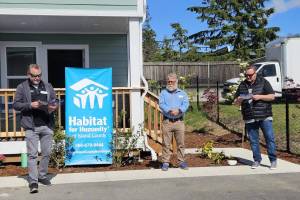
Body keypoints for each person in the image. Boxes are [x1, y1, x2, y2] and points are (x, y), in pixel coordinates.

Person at [13, 64, 58, 193]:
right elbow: (16, 104)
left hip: (47, 125)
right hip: (31, 126)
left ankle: (42, 175)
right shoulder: (22, 87)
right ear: (28, 75)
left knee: (47, 153)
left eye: (39, 75)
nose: (37, 78)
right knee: (32, 155)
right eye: (34, 76)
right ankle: (33, 181)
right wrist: (30, 105)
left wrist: (54, 106)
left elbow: (55, 101)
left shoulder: (48, 86)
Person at [234, 66, 277, 170]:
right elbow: (235, 103)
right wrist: (238, 100)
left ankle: (273, 160)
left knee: (269, 138)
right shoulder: (242, 85)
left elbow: (272, 96)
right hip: (249, 116)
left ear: (255, 74)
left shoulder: (263, 82)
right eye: (246, 75)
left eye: (250, 75)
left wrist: (259, 97)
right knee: (253, 140)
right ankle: (257, 160)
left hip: (264, 116)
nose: (248, 77)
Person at [159, 73, 189, 171]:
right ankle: (165, 163)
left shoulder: (182, 93)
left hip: (179, 122)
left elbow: (186, 104)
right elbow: (161, 104)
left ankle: (181, 162)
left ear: (176, 81)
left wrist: (179, 110)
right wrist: (169, 110)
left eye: (172, 81)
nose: (170, 83)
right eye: (169, 81)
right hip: (167, 122)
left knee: (181, 143)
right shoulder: (163, 93)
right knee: (166, 144)